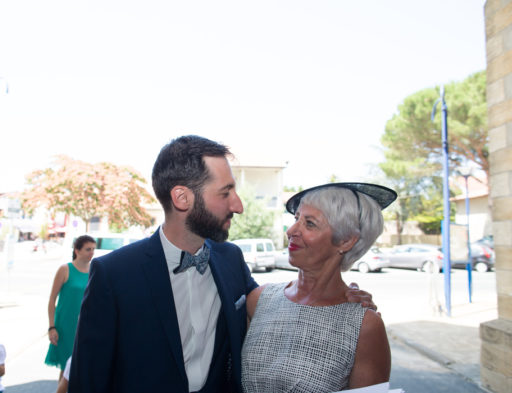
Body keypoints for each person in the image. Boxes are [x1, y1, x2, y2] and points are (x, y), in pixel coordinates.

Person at [69, 135, 374, 393]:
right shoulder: (114, 274)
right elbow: (88, 381)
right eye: (225, 192)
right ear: (182, 198)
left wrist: (344, 297)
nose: (238, 206)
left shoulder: (230, 259)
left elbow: (280, 304)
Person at [241, 182, 397, 393]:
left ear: (346, 241)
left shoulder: (365, 327)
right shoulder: (259, 300)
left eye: (310, 223)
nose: (291, 231)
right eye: (296, 219)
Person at [45, 235, 95, 379]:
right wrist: (51, 326)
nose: (91, 252)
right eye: (88, 249)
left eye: (93, 249)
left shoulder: (94, 270)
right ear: (77, 250)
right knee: (67, 367)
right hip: (66, 325)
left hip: (86, 324)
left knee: (82, 367)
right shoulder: (65, 269)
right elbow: (52, 299)